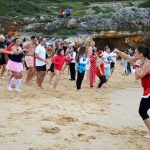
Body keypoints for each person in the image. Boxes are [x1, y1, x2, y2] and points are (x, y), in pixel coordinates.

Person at [114, 47, 150, 139]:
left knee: (142, 111)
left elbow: (138, 76)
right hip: (147, 89)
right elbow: (128, 58)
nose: (134, 54)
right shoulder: (140, 60)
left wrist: (137, 66)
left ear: (141, 54)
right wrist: (118, 51)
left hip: (149, 91)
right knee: (143, 111)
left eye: (135, 52)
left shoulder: (147, 64)